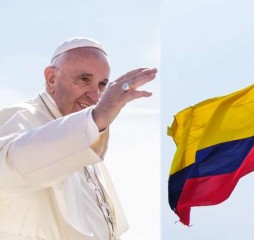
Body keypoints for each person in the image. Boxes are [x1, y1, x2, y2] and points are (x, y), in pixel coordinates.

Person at [0, 37, 157, 240]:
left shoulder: (88, 135)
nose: (95, 95)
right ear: (52, 79)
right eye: (84, 79)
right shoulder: (20, 116)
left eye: (102, 85)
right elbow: (9, 168)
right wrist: (95, 119)